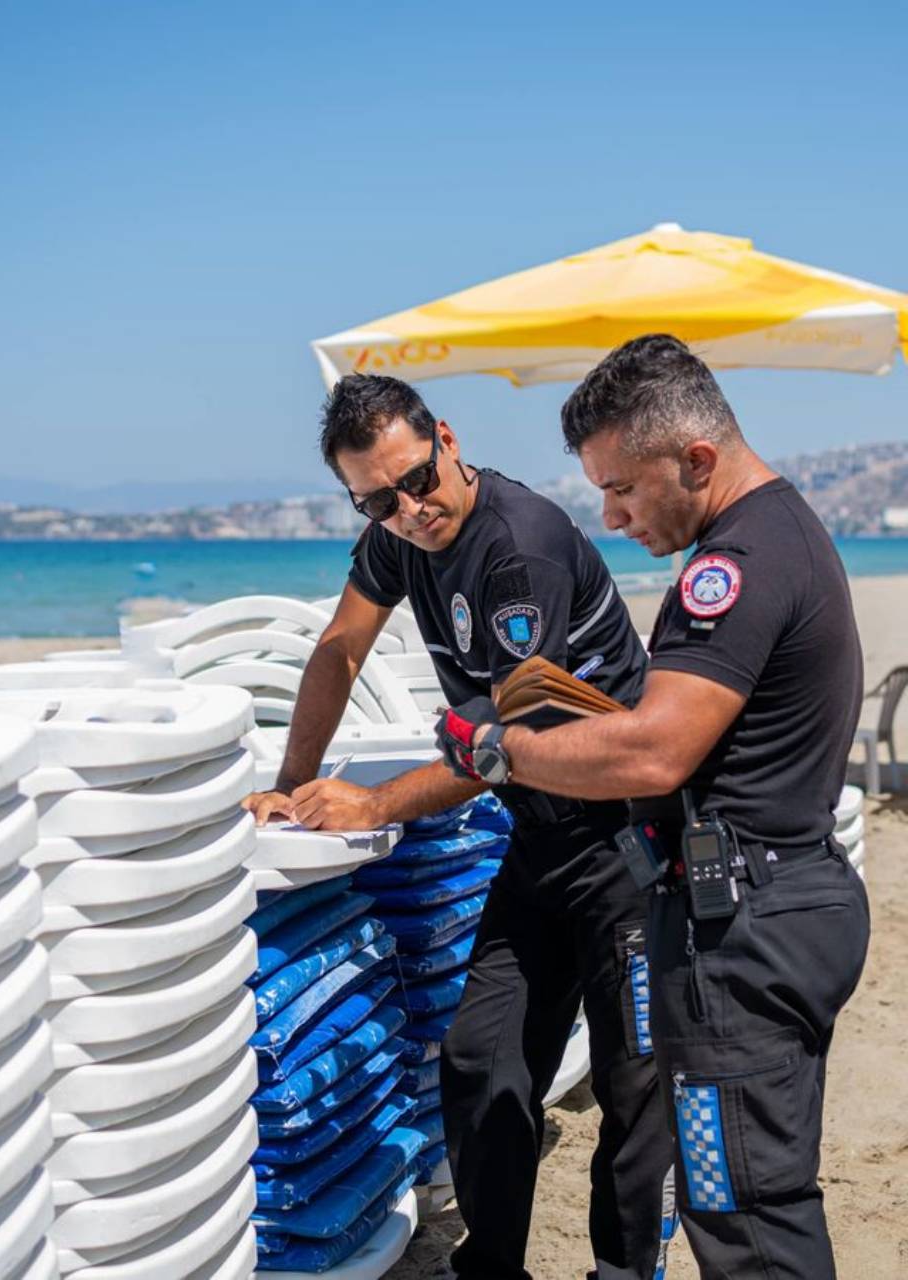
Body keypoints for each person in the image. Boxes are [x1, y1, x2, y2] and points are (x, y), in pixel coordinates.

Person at [435, 335, 871, 1279]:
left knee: (742, 1211)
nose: (610, 514)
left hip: (745, 929)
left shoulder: (739, 565)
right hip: (772, 904)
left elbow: (656, 751)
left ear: (697, 460)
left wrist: (505, 750)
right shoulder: (781, 532)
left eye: (623, 488)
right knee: (758, 1195)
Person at [244, 373, 675, 1280]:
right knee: (481, 1058)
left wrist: (377, 802)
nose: (409, 509)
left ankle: (627, 1270)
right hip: (542, 840)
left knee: (637, 1083)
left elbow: (509, 743)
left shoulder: (519, 549)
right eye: (377, 499)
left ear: (445, 438)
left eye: (416, 481)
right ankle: (494, 1266)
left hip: (629, 844)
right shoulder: (400, 534)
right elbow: (339, 647)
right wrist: (292, 783)